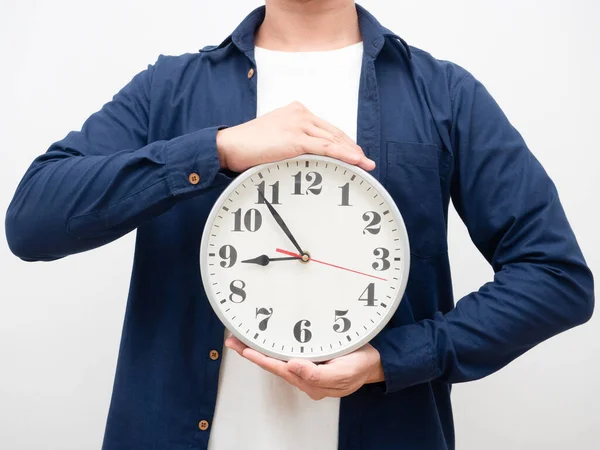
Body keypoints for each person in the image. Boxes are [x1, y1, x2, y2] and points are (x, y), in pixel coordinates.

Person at [5, 1, 594, 449]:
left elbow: (555, 277)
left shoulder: (444, 95)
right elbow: (32, 220)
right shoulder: (170, 90)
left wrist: (392, 359)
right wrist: (218, 149)